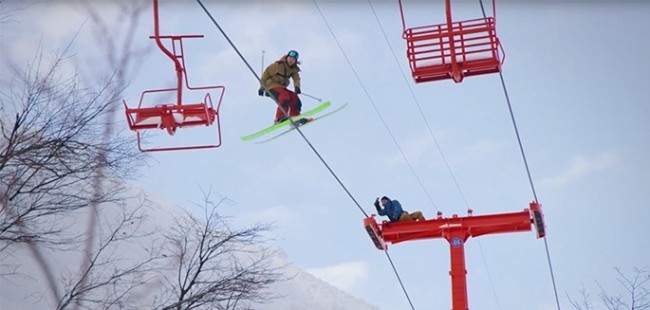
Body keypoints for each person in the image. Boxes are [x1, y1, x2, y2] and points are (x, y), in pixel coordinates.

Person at [258, 50, 307, 125]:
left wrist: (297, 87)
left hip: (281, 87)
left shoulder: (293, 69)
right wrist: (262, 87)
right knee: (284, 96)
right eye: (290, 58)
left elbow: (296, 78)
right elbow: (265, 74)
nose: (291, 60)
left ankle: (295, 117)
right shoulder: (278, 65)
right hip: (271, 86)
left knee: (294, 97)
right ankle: (279, 117)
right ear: (287, 57)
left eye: (293, 59)